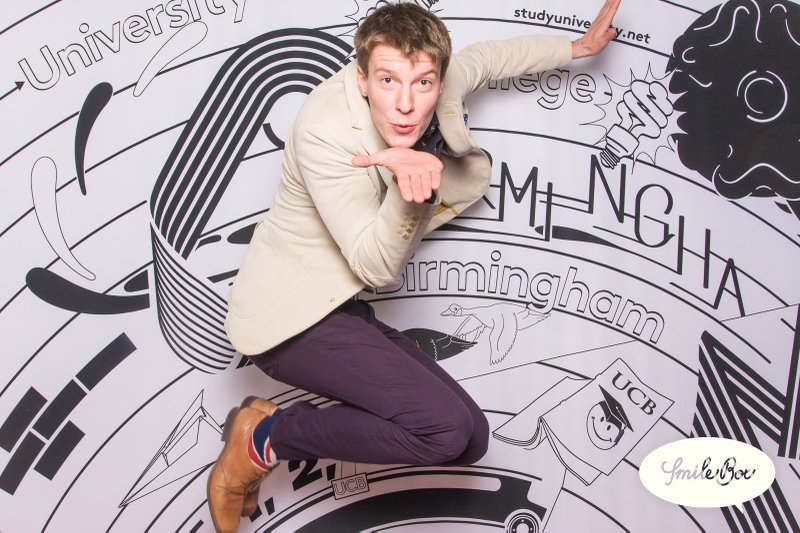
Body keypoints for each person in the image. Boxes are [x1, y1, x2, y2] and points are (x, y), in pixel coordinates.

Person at [208, 1, 621, 531]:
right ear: (362, 78)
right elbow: (374, 266)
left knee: (469, 439)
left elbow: (487, 59)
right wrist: (412, 192)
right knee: (442, 432)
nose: (405, 105)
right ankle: (262, 439)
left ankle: (266, 427)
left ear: (438, 78)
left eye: (423, 83)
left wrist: (576, 47)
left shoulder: (435, 80)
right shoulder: (323, 129)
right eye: (387, 81)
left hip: (338, 307)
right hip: (287, 317)